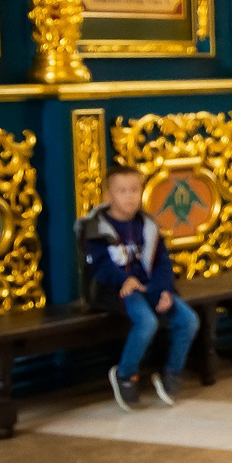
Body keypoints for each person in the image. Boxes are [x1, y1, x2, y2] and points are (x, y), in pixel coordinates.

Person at [81, 163, 198, 412]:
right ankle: (125, 374)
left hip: (148, 286)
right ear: (108, 196)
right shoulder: (96, 227)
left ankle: (171, 374)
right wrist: (123, 280)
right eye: (122, 191)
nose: (130, 196)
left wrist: (165, 290)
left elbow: (162, 263)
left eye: (134, 190)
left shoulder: (148, 225)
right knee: (147, 322)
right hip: (113, 289)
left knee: (188, 320)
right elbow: (99, 267)